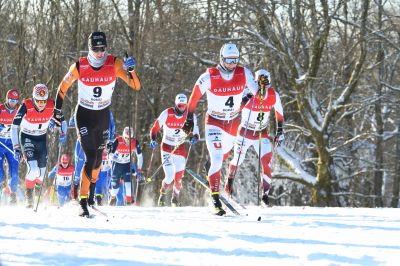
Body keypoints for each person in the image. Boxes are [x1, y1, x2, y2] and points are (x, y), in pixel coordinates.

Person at [53, 31, 140, 217]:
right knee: (90, 157)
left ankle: (91, 193)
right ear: (89, 48)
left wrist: (131, 71)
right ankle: (82, 201)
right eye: (96, 49)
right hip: (84, 115)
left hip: (102, 116)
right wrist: (57, 112)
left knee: (99, 160)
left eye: (103, 49)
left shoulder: (115, 63)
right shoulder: (80, 65)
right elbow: (62, 87)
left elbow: (136, 86)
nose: (100, 53)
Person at [182, 43, 258, 215]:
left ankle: (210, 168)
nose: (231, 64)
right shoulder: (209, 76)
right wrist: (189, 120)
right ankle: (215, 200)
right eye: (228, 60)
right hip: (214, 122)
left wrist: (257, 91)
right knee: (217, 159)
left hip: (233, 122)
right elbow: (193, 99)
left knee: (223, 155)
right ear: (221, 59)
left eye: (235, 60)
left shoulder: (244, 73)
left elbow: (256, 93)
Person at [225, 69, 284, 206]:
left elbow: (279, 114)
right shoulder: (247, 91)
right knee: (238, 160)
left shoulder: (274, 95)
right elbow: (236, 108)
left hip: (261, 134)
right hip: (245, 132)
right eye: (260, 83)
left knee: (266, 163)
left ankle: (265, 195)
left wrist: (280, 132)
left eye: (266, 83)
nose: (264, 87)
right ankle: (229, 182)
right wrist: (247, 97)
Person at [11, 84, 67, 208]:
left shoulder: (52, 105)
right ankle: (29, 197)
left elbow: (63, 121)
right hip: (27, 137)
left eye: (43, 101)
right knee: (33, 169)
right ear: (33, 98)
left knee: (41, 174)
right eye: (38, 101)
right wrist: (16, 147)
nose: (41, 104)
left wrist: (63, 132)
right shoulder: (26, 106)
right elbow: (14, 127)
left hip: (41, 139)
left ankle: (36, 189)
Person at [150, 94, 200, 207]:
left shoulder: (190, 116)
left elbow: (196, 131)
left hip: (180, 148)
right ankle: (162, 193)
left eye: (184, 105)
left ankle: (175, 198)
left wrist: (194, 137)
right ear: (176, 104)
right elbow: (155, 128)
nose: (182, 107)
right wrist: (153, 139)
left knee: (178, 179)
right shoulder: (167, 113)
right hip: (167, 147)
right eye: (179, 105)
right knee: (169, 176)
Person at [69, 110, 115, 202]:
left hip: (96, 142)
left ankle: (91, 197)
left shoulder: (105, 108)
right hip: (82, 141)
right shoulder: (84, 104)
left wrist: (110, 140)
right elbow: (72, 122)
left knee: (93, 167)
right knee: (79, 169)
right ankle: (75, 196)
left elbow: (112, 125)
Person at [109, 127, 143, 206]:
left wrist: (139, 169)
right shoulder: (118, 141)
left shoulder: (135, 142)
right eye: (126, 138)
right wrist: (114, 157)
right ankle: (112, 197)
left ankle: (128, 204)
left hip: (127, 165)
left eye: (130, 139)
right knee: (115, 189)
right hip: (116, 165)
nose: (128, 140)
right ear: (123, 136)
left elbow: (140, 156)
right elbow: (110, 154)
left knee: (128, 186)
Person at [0, 89, 20, 205]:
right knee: (0, 175)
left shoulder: (19, 110)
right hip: (0, 143)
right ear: (7, 99)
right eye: (11, 100)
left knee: (15, 174)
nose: (13, 102)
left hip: (12, 144)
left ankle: (13, 196)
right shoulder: (1, 109)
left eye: (15, 100)